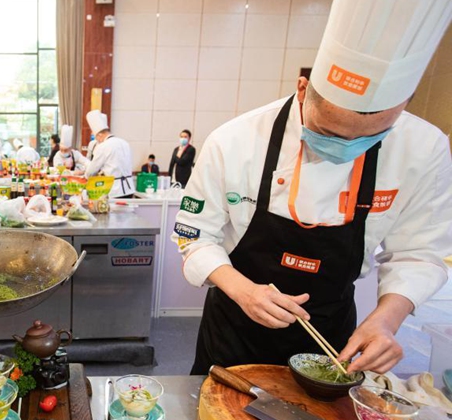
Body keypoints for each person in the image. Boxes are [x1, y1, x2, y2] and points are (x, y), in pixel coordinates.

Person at [173, 0, 452, 377]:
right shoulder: (236, 140)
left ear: (401, 109)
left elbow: (419, 253)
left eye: (370, 138)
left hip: (331, 336)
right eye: (328, 132)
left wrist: (386, 320)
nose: (345, 148)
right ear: (303, 88)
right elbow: (193, 236)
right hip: (234, 329)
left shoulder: (424, 149)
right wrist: (244, 291)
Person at [84, 110, 135, 198]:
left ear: (99, 135)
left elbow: (91, 171)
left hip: (114, 190)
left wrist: (86, 176)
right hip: (129, 188)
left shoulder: (103, 146)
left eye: (96, 138)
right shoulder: (125, 143)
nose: (97, 141)